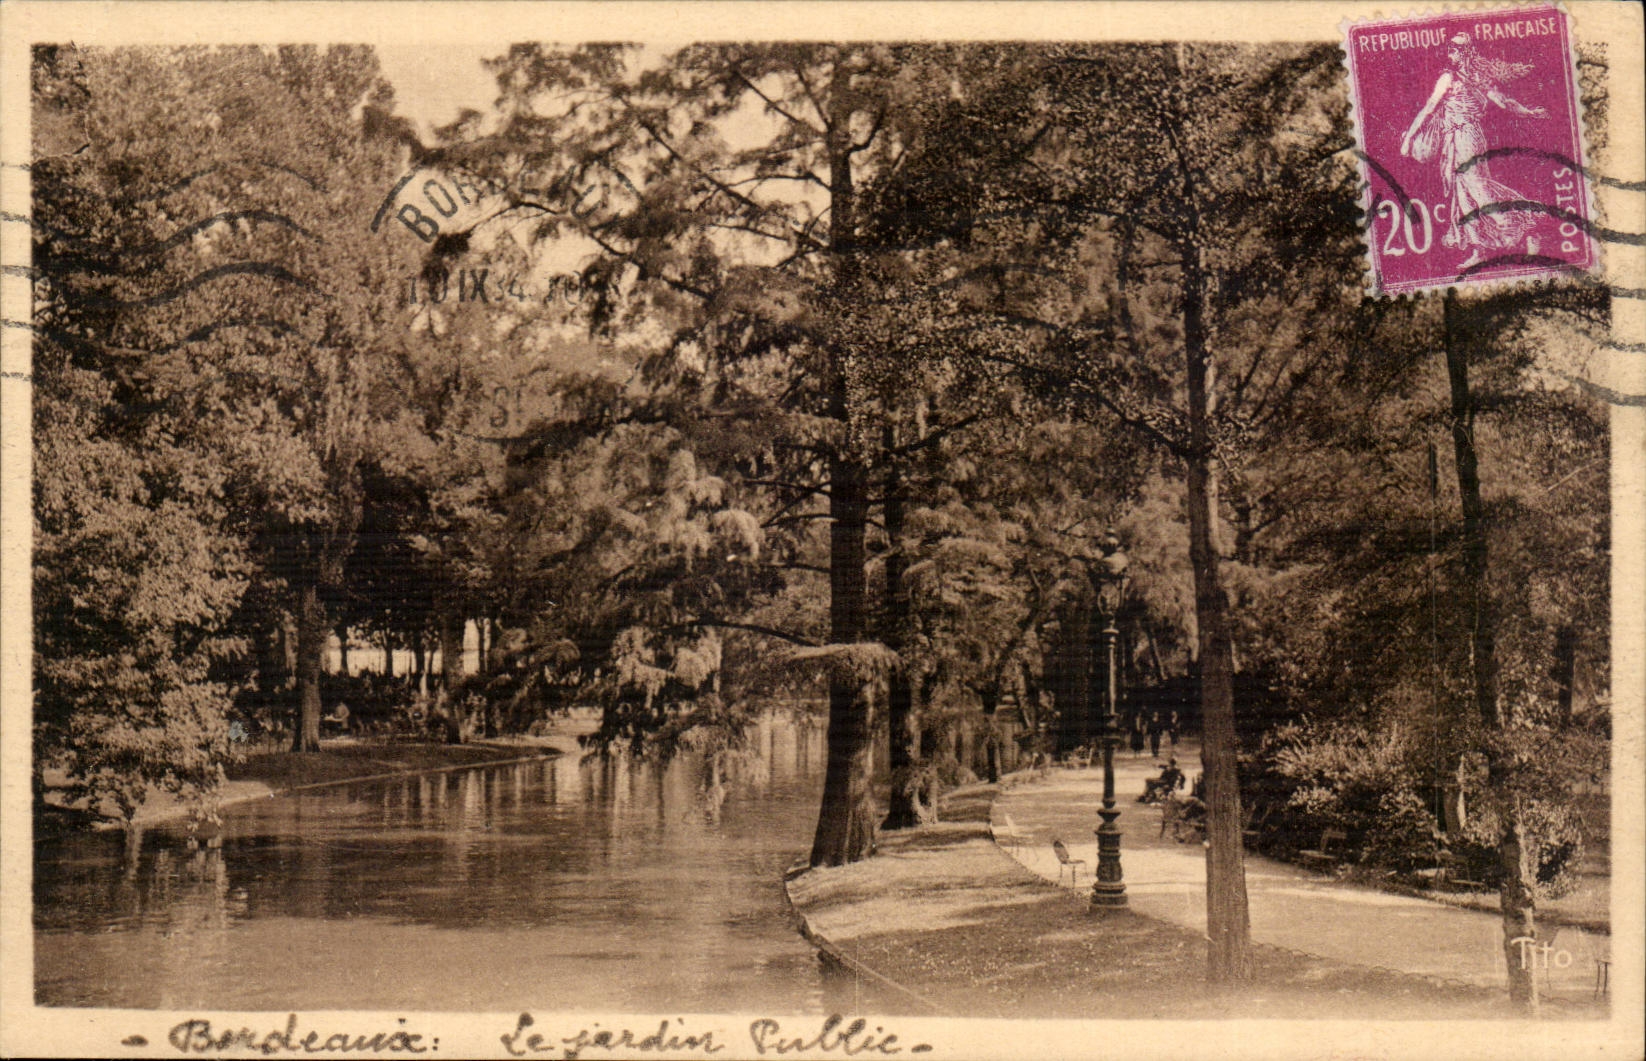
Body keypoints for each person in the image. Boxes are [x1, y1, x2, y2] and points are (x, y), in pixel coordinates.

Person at [1400, 33, 1547, 270]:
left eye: (1454, 50)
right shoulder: (1474, 78)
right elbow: (1504, 101)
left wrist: (1409, 138)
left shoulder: (1458, 78)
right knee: (1463, 194)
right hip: (1460, 138)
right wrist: (1527, 112)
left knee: (1478, 188)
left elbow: (1430, 108)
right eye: (1450, 50)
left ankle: (1527, 230)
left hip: (1466, 136)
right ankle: (1480, 249)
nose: (1450, 55)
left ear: (1465, 52)